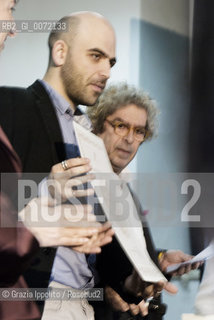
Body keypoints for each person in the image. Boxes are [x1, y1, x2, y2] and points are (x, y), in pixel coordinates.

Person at [0, 4, 114, 319]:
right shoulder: (11, 105)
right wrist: (46, 190)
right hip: (41, 300)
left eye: (110, 61)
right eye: (96, 56)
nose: (106, 72)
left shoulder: (91, 135)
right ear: (60, 52)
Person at [86, 82, 200, 319]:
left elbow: (126, 260)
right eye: (121, 126)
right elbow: (65, 278)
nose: (129, 139)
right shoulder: (80, 187)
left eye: (139, 131)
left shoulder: (125, 191)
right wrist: (105, 293)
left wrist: (160, 259)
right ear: (97, 126)